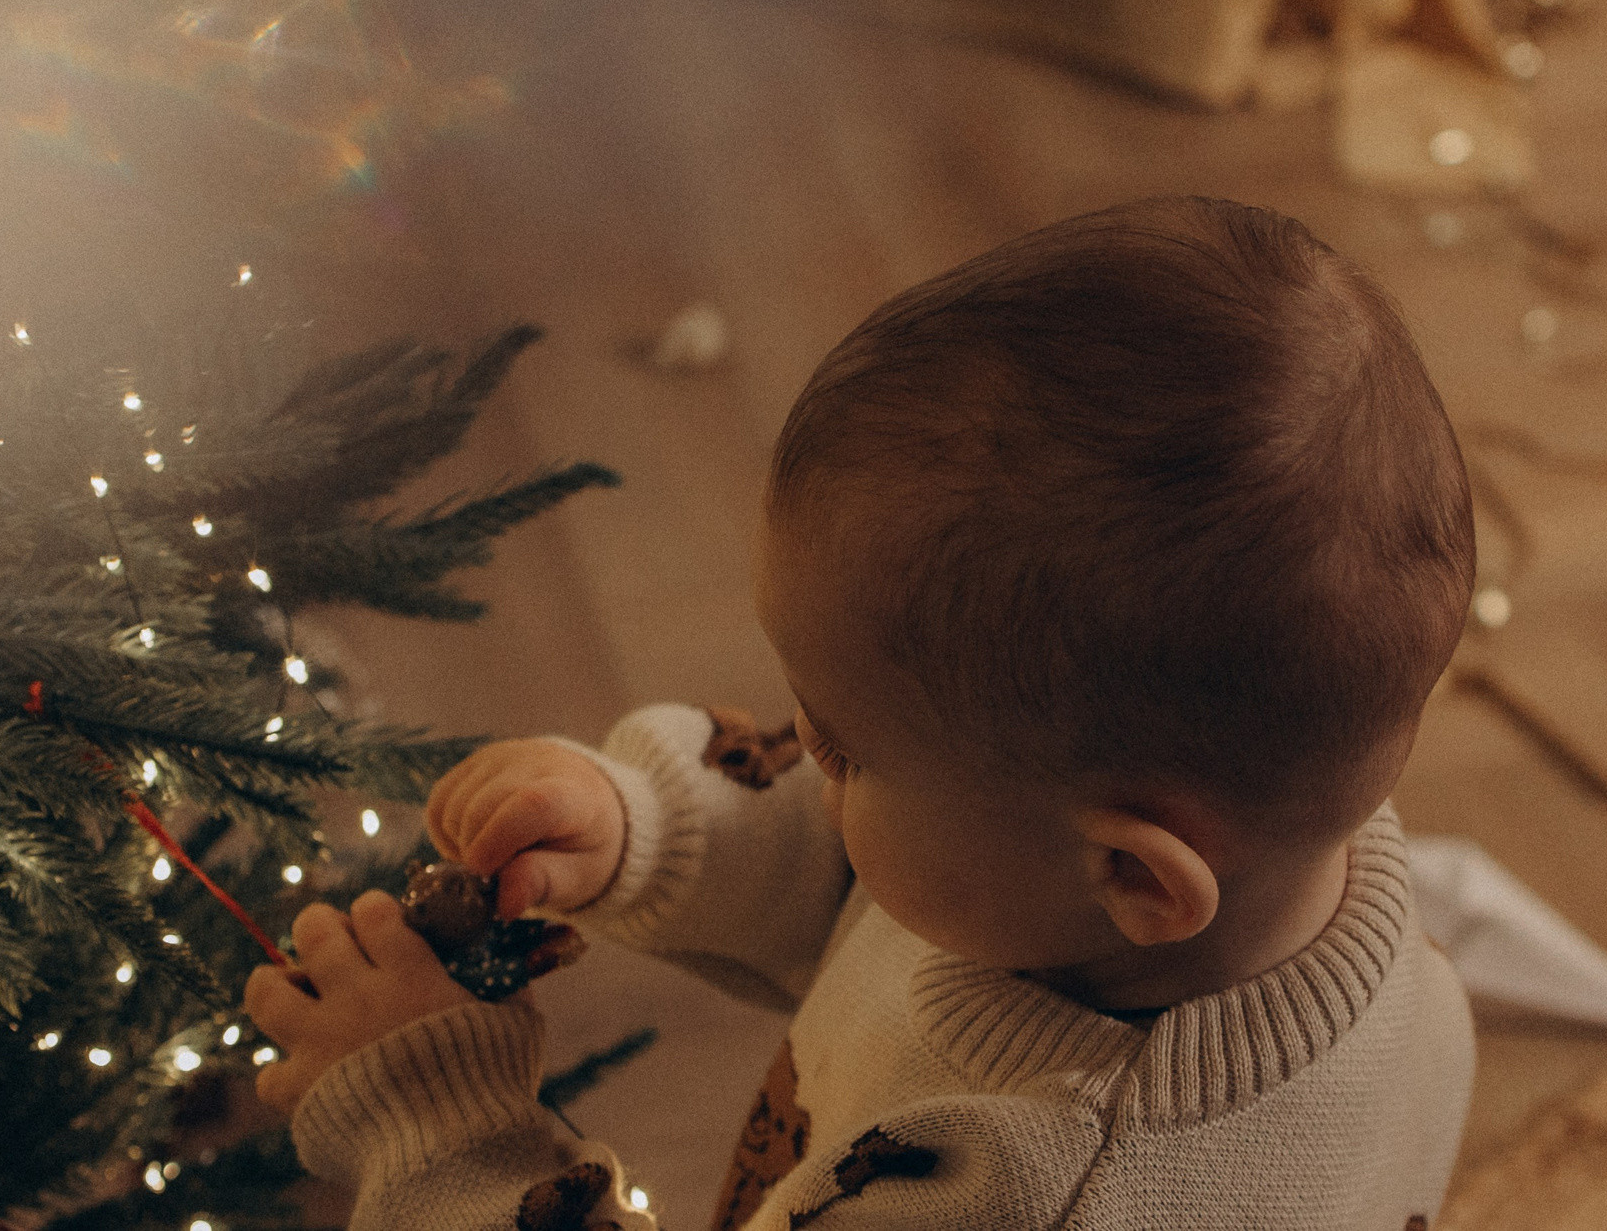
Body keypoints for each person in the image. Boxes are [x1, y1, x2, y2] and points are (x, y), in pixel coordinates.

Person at [245, 196, 1480, 1230]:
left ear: (1135, 874)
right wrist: (651, 830)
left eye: (838, 747)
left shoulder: (1031, 1191)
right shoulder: (1278, 853)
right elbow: (891, 877)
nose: (804, 760)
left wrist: (436, 1125)